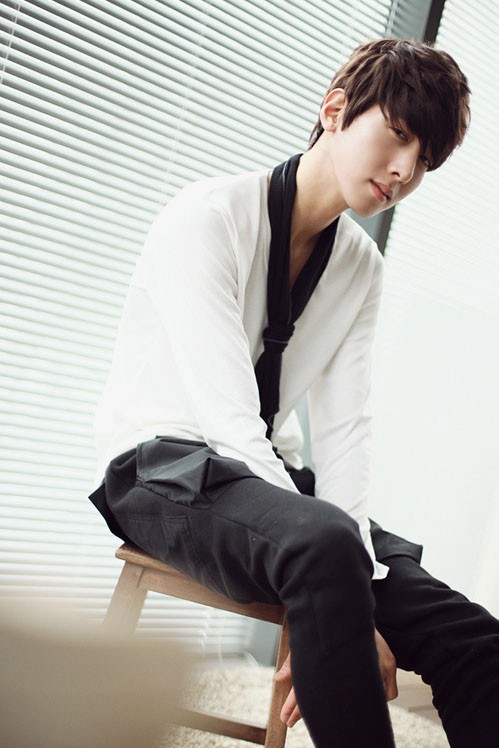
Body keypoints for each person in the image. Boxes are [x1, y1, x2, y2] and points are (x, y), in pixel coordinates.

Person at [89, 38, 499, 747]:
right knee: (326, 544)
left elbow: (344, 432)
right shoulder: (209, 216)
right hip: (162, 473)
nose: (404, 171)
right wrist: (346, 607)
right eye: (397, 135)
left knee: (475, 642)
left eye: (424, 159)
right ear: (334, 111)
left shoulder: (360, 267)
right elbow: (226, 419)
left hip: (279, 494)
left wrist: (348, 597)